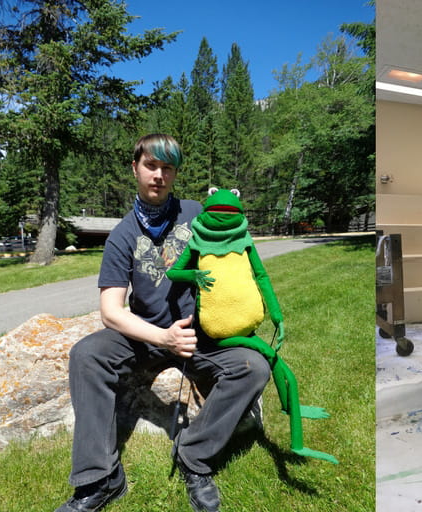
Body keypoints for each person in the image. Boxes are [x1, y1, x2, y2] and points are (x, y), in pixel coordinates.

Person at [56, 134, 270, 512]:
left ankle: (193, 457)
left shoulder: (194, 213)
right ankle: (100, 479)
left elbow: (234, 251)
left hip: (202, 334)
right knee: (87, 354)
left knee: (253, 367)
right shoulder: (122, 235)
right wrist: (164, 338)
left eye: (167, 168)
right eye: (151, 166)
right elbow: (111, 310)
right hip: (145, 334)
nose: (158, 175)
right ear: (135, 168)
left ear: (174, 173)